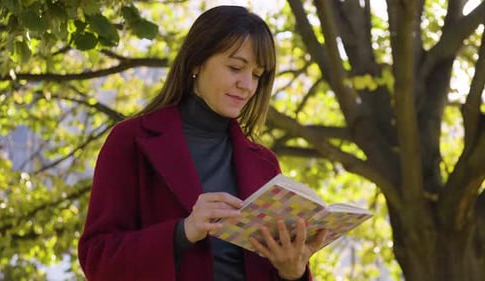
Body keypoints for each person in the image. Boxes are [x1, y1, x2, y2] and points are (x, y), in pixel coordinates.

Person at [78, 5, 327, 281]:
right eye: (235, 67)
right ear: (197, 61)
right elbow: (97, 259)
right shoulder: (131, 141)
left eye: (257, 75)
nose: (247, 84)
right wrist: (183, 232)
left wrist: (292, 272)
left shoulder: (264, 163)